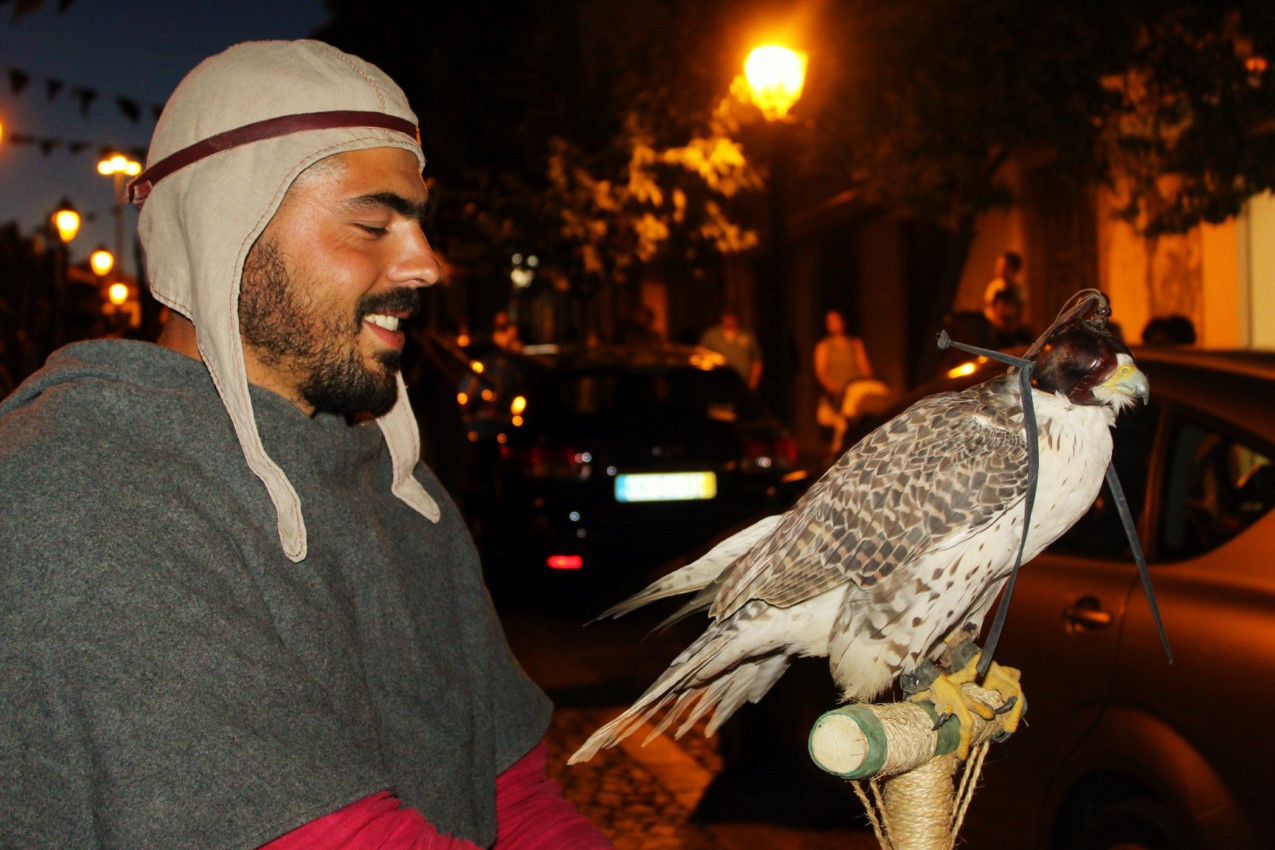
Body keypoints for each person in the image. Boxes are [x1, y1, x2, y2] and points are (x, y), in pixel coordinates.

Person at [0, 41, 612, 850]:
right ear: (226, 227)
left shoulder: (400, 489)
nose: (425, 264)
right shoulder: (81, 485)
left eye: (419, 223)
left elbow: (516, 800)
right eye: (371, 223)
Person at [813, 308, 890, 460]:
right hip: (837, 396)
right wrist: (834, 389)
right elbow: (821, 373)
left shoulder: (855, 344)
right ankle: (836, 456)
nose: (831, 324)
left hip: (855, 391)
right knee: (842, 424)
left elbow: (865, 370)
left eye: (835, 320)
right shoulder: (823, 346)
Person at [699, 305, 762, 391]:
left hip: (742, 386)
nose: (730, 319)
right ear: (722, 317)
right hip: (717, 386)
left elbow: (757, 361)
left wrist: (752, 385)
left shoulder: (747, 335)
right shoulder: (712, 335)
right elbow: (700, 357)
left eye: (732, 316)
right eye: (727, 315)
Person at [983, 251, 1034, 349]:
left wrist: (1013, 325)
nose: (999, 270)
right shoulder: (994, 287)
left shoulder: (1019, 290)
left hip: (1012, 328)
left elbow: (1020, 312)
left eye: (1004, 267)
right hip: (995, 327)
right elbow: (991, 309)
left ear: (1014, 269)